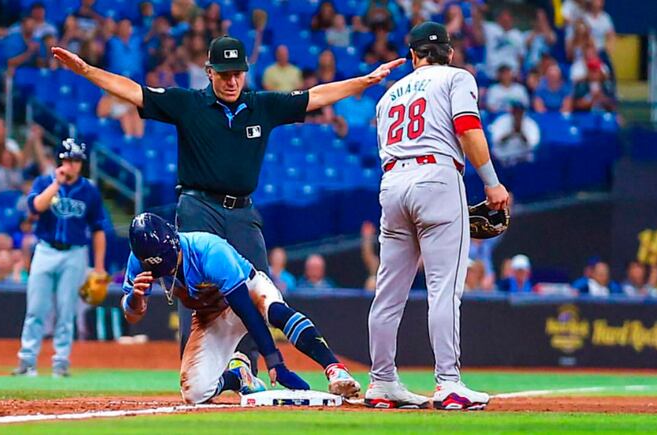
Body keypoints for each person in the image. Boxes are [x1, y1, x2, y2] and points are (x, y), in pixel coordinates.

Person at [52, 35, 403, 368]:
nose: (232, 80)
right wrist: (86, 70)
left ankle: (246, 368)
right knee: (196, 289)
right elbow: (134, 91)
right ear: (209, 72)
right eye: (224, 74)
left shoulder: (261, 106)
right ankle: (196, 367)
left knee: (259, 285)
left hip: (242, 211)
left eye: (237, 73)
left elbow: (315, 97)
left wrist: (365, 82)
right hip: (197, 206)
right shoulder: (188, 103)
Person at [368, 22, 509, 411]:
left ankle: (381, 381)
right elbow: (467, 129)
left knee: (388, 293)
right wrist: (492, 183)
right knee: (444, 288)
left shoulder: (388, 96)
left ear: (412, 56)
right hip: (437, 177)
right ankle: (448, 383)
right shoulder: (456, 77)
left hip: (393, 183)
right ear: (449, 52)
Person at [121, 213, 360, 404]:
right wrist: (135, 299)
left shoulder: (209, 250)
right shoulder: (139, 260)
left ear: (174, 240)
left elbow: (246, 310)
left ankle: (335, 369)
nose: (165, 268)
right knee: (194, 393)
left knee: (275, 310)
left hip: (247, 289)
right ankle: (238, 376)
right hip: (210, 314)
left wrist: (275, 361)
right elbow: (132, 315)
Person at [12, 138, 107, 378]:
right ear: (60, 161)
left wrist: (98, 266)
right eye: (67, 159)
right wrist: (56, 183)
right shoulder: (45, 182)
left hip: (74, 253)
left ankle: (61, 362)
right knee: (36, 308)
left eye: (75, 160)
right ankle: (27, 360)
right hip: (45, 250)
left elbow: (98, 229)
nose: (71, 164)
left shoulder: (90, 190)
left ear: (81, 164)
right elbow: (36, 207)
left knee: (66, 311)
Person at [488, 101, 540, 166]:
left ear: (524, 112)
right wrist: (511, 133)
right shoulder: (501, 121)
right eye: (515, 111)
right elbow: (495, 141)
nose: (517, 114)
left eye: (520, 112)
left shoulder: (530, 124)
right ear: (512, 111)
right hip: (502, 159)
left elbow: (533, 145)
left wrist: (521, 133)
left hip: (523, 160)